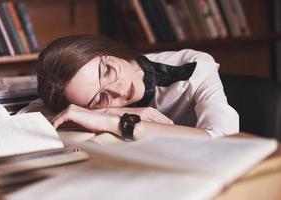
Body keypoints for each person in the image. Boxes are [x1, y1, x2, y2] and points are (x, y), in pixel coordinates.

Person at [36, 34, 239, 140]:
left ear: (107, 51)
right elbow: (23, 121)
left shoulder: (193, 65)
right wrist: (111, 111)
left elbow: (224, 139)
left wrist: (121, 122)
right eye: (99, 98)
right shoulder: (81, 100)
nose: (119, 88)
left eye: (106, 71)